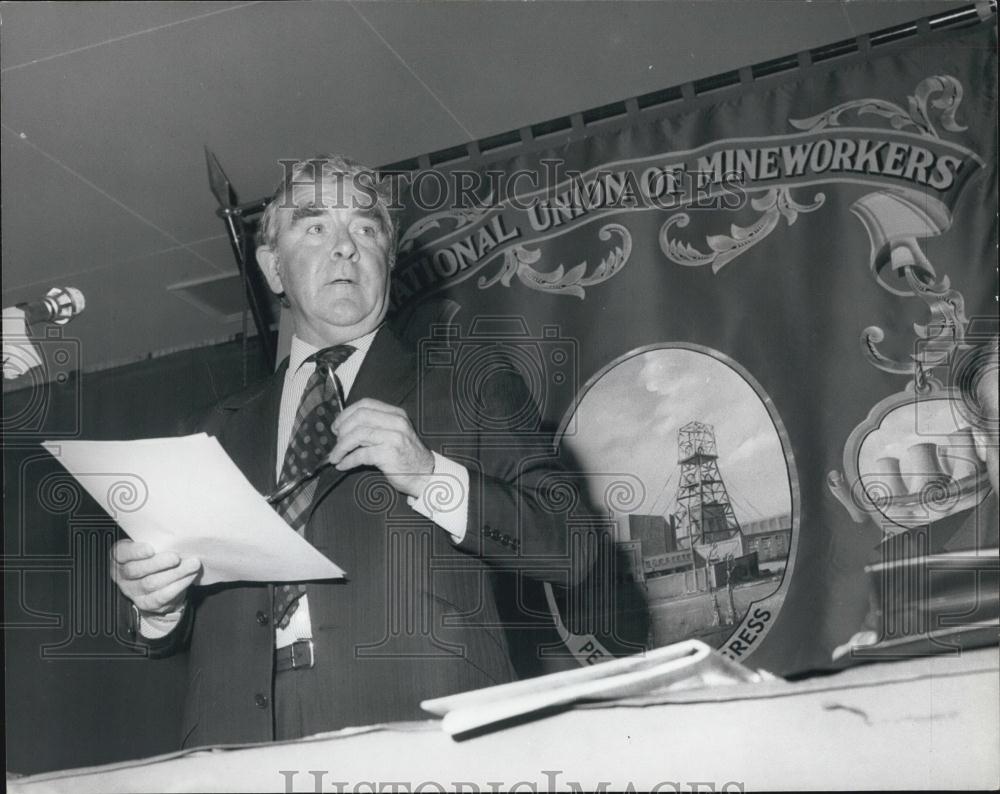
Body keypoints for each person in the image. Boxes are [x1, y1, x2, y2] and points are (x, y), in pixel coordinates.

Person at [110, 155, 595, 747]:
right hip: (235, 749)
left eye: (365, 229)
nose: (344, 248)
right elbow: (173, 629)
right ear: (272, 269)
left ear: (388, 262)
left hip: (418, 742)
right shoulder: (210, 431)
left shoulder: (467, 382)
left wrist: (430, 474)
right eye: (314, 227)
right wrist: (157, 605)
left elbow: (573, 549)